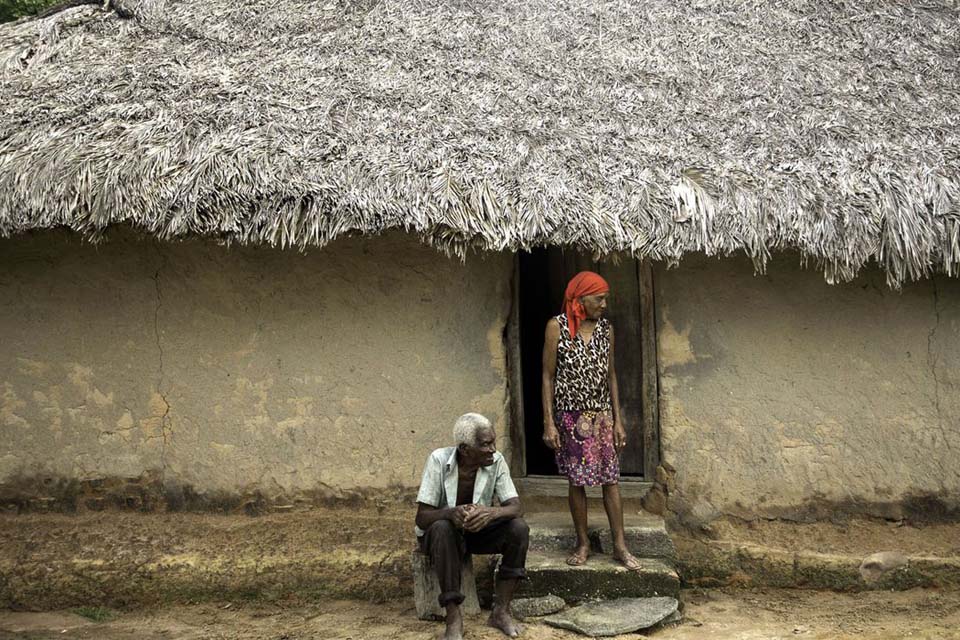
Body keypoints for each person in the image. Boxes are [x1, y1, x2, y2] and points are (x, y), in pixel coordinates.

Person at [541, 271, 642, 570]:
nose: (604, 304)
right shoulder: (555, 328)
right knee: (577, 482)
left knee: (611, 480)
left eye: (605, 298)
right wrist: (549, 421)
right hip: (570, 417)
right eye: (599, 298)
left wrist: (618, 420)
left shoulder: (605, 330)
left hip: (601, 417)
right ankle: (582, 542)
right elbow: (547, 376)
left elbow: (611, 375)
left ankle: (619, 546)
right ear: (581, 298)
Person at [415, 413, 529, 640]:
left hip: (477, 533)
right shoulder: (438, 460)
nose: (493, 449)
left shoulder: (496, 461)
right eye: (486, 444)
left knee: (518, 528)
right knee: (441, 528)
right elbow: (422, 518)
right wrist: (450, 513)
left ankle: (501, 611)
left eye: (493, 442)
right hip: (442, 537)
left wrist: (491, 512)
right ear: (465, 449)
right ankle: (454, 617)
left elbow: (516, 508)